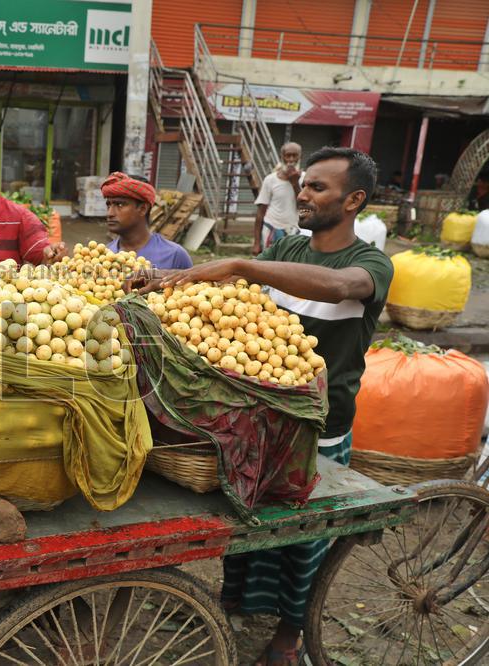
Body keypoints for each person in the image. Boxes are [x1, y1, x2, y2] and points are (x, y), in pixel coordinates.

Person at [127, 147, 393, 666]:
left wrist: (243, 262)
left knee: (302, 543)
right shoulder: (290, 247)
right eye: (305, 184)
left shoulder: (367, 263)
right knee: (245, 524)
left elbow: (342, 288)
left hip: (318, 428)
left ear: (354, 199)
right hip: (254, 418)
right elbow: (232, 293)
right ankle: (233, 605)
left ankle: (289, 638)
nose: (303, 193)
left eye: (319, 187)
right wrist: (164, 284)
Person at [101, 172, 192, 269]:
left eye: (120, 204)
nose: (110, 213)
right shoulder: (104, 256)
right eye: (109, 205)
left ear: (143, 209)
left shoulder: (174, 255)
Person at [253, 142, 302, 255]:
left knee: (289, 265)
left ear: (300, 157)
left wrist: (295, 184)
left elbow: (303, 207)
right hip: (271, 227)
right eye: (288, 155)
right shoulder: (270, 179)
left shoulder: (305, 178)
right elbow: (261, 212)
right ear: (282, 157)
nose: (291, 159)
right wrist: (256, 243)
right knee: (269, 265)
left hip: (294, 229)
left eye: (295, 155)